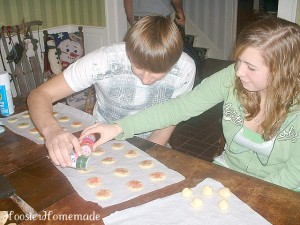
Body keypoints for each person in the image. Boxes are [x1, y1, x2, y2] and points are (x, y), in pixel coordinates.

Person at [80, 16, 300, 191]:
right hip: (226, 173)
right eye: (239, 61)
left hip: (279, 189)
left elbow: (292, 176)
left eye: (251, 67)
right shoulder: (231, 78)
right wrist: (118, 127)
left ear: (282, 71)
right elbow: (179, 108)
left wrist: (247, 193)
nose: (239, 72)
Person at [27, 16, 196, 168]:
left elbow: (171, 116)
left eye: (156, 74)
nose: (145, 80)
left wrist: (147, 155)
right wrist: (52, 131)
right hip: (103, 142)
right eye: (138, 68)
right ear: (129, 52)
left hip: (155, 143)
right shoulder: (103, 60)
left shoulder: (185, 69)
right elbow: (40, 95)